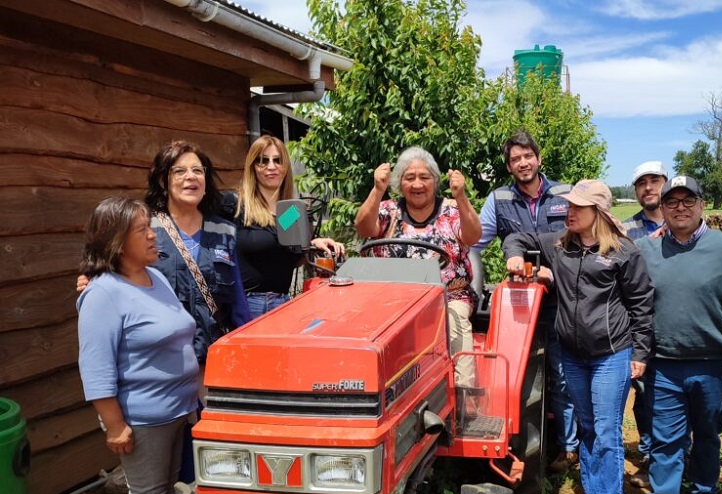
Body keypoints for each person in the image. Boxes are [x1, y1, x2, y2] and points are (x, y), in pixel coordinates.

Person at [504, 180, 653, 494]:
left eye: (578, 207)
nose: (569, 211)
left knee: (605, 433)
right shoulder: (560, 245)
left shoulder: (623, 253)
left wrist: (640, 353)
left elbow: (642, 305)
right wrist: (515, 257)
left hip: (611, 354)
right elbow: (519, 237)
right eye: (569, 205)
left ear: (598, 212)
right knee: (586, 428)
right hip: (573, 353)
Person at [76, 197, 199, 494]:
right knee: (147, 491)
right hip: (143, 415)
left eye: (151, 226)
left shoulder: (155, 277)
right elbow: (95, 367)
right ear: (116, 241)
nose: (152, 235)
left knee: (167, 488)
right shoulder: (102, 294)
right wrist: (114, 425)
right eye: (142, 230)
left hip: (178, 408)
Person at [634, 176, 722, 494]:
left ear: (702, 204)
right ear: (661, 209)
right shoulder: (647, 249)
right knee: (666, 438)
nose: (680, 207)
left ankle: (705, 491)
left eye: (687, 200)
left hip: (713, 361)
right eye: (671, 202)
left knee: (708, 432)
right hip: (664, 362)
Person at [474, 130, 579, 473]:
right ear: (509, 166)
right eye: (515, 159)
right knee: (514, 375)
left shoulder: (566, 194)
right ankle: (516, 441)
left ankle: (568, 448)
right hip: (519, 305)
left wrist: (555, 271)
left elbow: (581, 240)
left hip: (561, 298)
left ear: (538, 158)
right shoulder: (499, 198)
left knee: (562, 374)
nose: (523, 163)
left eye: (527, 156)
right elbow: (476, 242)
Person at [355, 147, 481, 389]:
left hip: (448, 296)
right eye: (409, 177)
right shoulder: (389, 210)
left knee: (455, 322)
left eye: (424, 177)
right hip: (394, 298)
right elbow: (363, 228)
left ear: (435, 180)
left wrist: (462, 196)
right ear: (399, 182)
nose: (417, 184)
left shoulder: (452, 209)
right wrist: (377, 190)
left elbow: (473, 236)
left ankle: (465, 395)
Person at [146, 140, 250, 364]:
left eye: (197, 170)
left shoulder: (224, 230)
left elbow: (237, 301)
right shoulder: (145, 230)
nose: (190, 176)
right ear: (164, 181)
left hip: (214, 357)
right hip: (164, 361)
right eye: (180, 171)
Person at [223, 135, 343, 319]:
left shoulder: (290, 212)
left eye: (277, 161)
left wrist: (311, 243)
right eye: (263, 161)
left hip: (284, 304)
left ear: (285, 166)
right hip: (249, 305)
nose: (271, 167)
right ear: (253, 167)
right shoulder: (237, 205)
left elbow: (278, 242)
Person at [622, 160, 669, 489]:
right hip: (639, 324)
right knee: (645, 395)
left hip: (675, 323)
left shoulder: (686, 222)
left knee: (675, 396)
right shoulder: (626, 230)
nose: (648, 187)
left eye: (654, 181)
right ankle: (652, 455)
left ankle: (679, 456)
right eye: (642, 183)